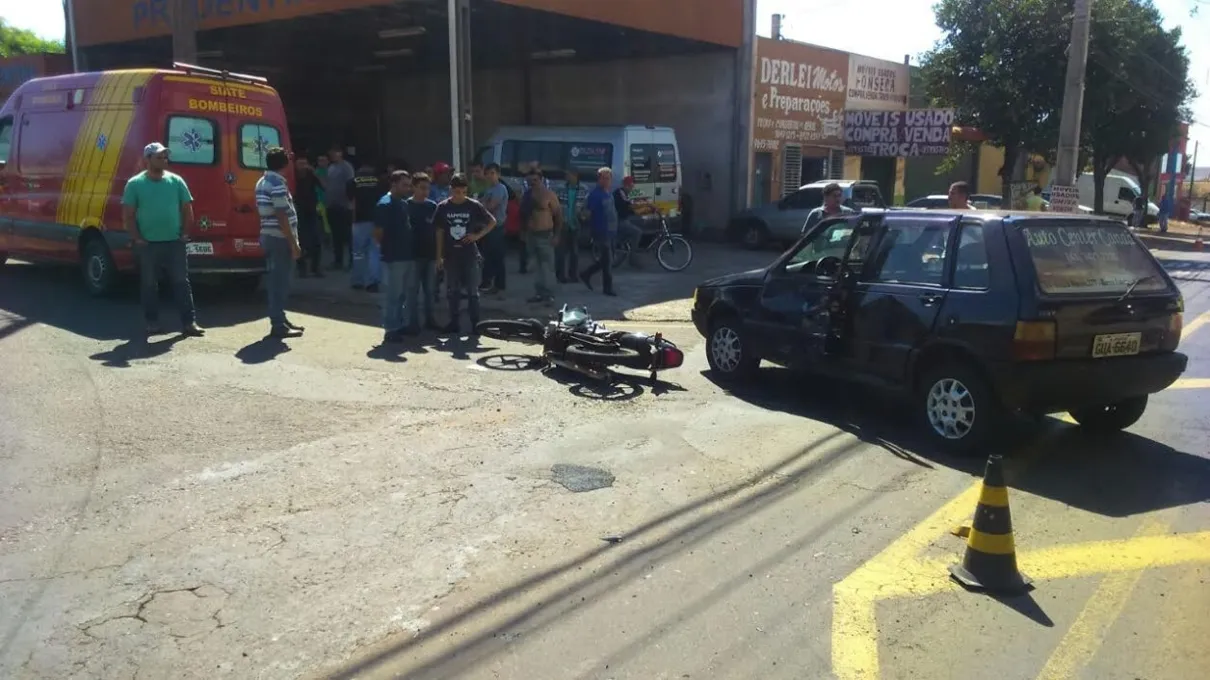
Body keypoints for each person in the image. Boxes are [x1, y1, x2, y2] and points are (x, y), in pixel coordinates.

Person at [122, 142, 205, 337]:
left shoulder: (176, 181)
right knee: (149, 284)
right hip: (148, 244)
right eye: (159, 157)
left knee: (181, 283)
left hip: (174, 242)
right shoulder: (135, 184)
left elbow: (187, 208)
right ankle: (152, 322)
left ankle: (189, 323)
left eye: (165, 157)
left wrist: (184, 234)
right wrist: (137, 238)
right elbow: (128, 214)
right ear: (148, 159)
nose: (163, 160)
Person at [434, 173, 496, 335]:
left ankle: (476, 324)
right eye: (456, 192)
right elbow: (439, 232)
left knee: (472, 292)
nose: (459, 195)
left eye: (462, 191)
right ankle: (454, 322)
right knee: (452, 291)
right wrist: (439, 255)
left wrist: (477, 236)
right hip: (450, 254)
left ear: (466, 190)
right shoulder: (443, 207)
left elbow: (492, 222)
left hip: (469, 254)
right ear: (451, 190)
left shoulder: (473, 205)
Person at [255, 146, 305, 338]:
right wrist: (293, 243)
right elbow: (281, 214)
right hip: (279, 238)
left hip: (270, 236)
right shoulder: (276, 183)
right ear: (285, 163)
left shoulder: (263, 180)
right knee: (279, 283)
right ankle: (278, 324)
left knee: (278, 281)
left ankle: (281, 318)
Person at [375, 170, 414, 344]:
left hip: (406, 255)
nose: (408, 188)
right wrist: (387, 248)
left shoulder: (403, 203)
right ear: (394, 184)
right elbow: (378, 233)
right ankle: (391, 329)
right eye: (404, 184)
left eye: (408, 184)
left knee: (402, 294)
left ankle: (399, 325)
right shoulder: (385, 204)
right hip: (393, 257)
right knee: (393, 295)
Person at [407, 172, 441, 331]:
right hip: (412, 255)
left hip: (431, 254)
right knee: (412, 290)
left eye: (427, 188)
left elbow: (438, 231)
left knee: (430, 290)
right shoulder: (406, 206)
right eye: (421, 188)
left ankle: (431, 321)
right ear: (413, 187)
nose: (425, 191)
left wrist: (440, 254)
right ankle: (412, 323)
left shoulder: (432, 206)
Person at [523, 167, 562, 304]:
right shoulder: (527, 195)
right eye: (530, 180)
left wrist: (557, 235)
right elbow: (523, 215)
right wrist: (522, 232)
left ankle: (549, 295)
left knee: (547, 266)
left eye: (535, 180)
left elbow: (558, 215)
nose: (532, 182)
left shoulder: (549, 195)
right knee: (535, 266)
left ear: (541, 180)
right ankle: (539, 293)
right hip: (531, 235)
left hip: (545, 235)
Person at [578, 167, 619, 297]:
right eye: (604, 178)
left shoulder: (608, 193)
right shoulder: (595, 195)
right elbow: (587, 213)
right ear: (599, 179)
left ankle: (586, 274)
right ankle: (608, 288)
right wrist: (583, 219)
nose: (606, 181)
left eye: (608, 178)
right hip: (601, 231)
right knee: (607, 261)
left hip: (611, 231)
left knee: (608, 260)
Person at [350, 162, 384, 292]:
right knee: (374, 252)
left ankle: (358, 281)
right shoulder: (379, 182)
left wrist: (351, 221)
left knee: (358, 253)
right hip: (376, 220)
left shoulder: (352, 182)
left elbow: (351, 203)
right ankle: (373, 282)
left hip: (359, 221)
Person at [478, 163, 511, 293]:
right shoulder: (488, 189)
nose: (490, 176)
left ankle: (499, 285)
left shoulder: (500, 188)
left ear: (498, 174)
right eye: (488, 174)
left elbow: (491, 206)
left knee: (497, 256)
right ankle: (488, 282)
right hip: (488, 227)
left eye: (493, 173)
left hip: (497, 227)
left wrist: (481, 204)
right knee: (488, 256)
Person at [323, 146, 356, 270]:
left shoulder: (346, 167)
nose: (333, 155)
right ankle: (338, 261)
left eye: (335, 152)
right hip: (331, 205)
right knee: (336, 236)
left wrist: (351, 202)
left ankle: (352, 261)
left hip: (344, 205)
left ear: (340, 153)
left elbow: (351, 184)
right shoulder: (331, 168)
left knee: (348, 235)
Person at [294, 156, 324, 277]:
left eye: (304, 163)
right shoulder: (293, 175)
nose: (302, 166)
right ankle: (301, 268)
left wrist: (314, 172)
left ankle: (315, 268)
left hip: (311, 210)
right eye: (300, 163)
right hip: (298, 211)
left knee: (316, 240)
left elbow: (324, 186)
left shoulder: (311, 175)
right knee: (299, 241)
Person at [556, 168, 583, 283]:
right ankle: (561, 276)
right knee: (561, 252)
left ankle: (573, 275)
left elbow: (585, 206)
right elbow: (556, 205)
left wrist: (583, 215)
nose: (567, 177)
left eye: (569, 175)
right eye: (566, 175)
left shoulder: (583, 189)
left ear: (575, 176)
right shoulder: (561, 188)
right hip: (563, 223)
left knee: (574, 252)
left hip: (576, 224)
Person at [612, 176, 645, 262]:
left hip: (623, 219)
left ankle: (620, 242)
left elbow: (630, 208)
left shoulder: (625, 193)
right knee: (638, 232)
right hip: (618, 220)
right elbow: (629, 206)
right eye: (631, 186)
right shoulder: (619, 193)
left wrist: (644, 209)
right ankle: (632, 257)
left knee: (638, 223)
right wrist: (646, 206)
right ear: (626, 186)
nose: (632, 188)